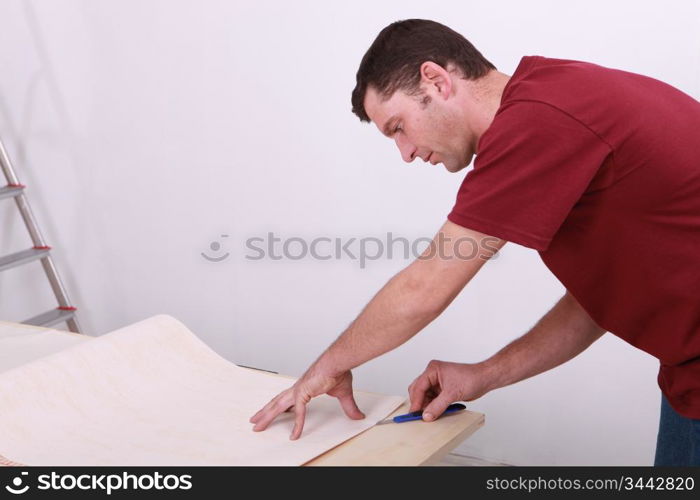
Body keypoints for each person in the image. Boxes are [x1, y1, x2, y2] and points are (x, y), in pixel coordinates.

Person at [249, 19, 700, 465]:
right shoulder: (552, 96)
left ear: (436, 80)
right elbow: (598, 302)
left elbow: (425, 286)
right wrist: (484, 375)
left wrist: (325, 369)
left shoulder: (536, 124)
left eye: (398, 127)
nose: (405, 153)